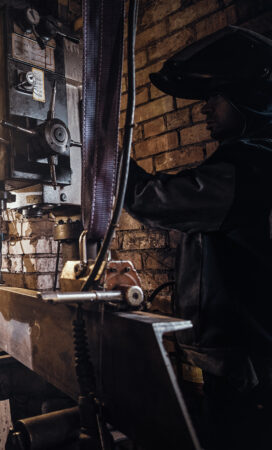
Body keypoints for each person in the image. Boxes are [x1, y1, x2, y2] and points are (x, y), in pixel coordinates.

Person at [124, 27, 272, 449]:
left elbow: (152, 200)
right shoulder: (246, 161)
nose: (204, 108)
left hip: (249, 368)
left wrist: (102, 154)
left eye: (215, 97)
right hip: (239, 362)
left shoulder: (251, 167)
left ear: (244, 98)